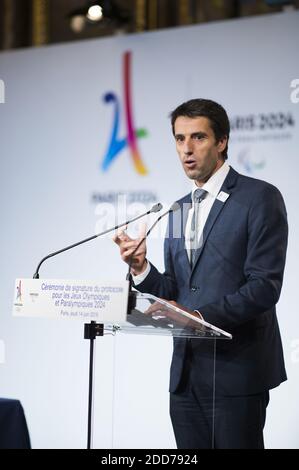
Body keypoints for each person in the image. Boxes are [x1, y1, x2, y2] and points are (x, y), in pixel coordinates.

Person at [113, 98, 288, 449]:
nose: (186, 150)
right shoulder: (177, 210)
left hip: (237, 374)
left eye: (198, 138)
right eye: (179, 139)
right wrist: (141, 269)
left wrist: (199, 317)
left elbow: (264, 287)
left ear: (222, 141)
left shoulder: (260, 198)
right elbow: (175, 289)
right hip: (186, 376)